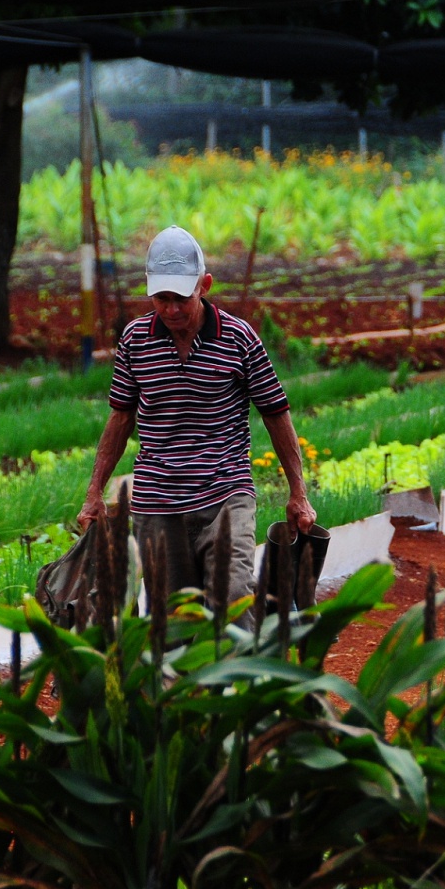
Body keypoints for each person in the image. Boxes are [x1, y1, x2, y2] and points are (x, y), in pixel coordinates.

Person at [78, 225, 316, 607]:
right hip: (158, 501)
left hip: (224, 494)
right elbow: (119, 419)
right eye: (161, 298)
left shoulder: (239, 339)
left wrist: (298, 492)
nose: (171, 309)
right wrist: (94, 494)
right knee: (172, 622)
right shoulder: (135, 340)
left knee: (233, 598)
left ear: (204, 285)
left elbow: (275, 413)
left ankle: (243, 665)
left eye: (181, 298)